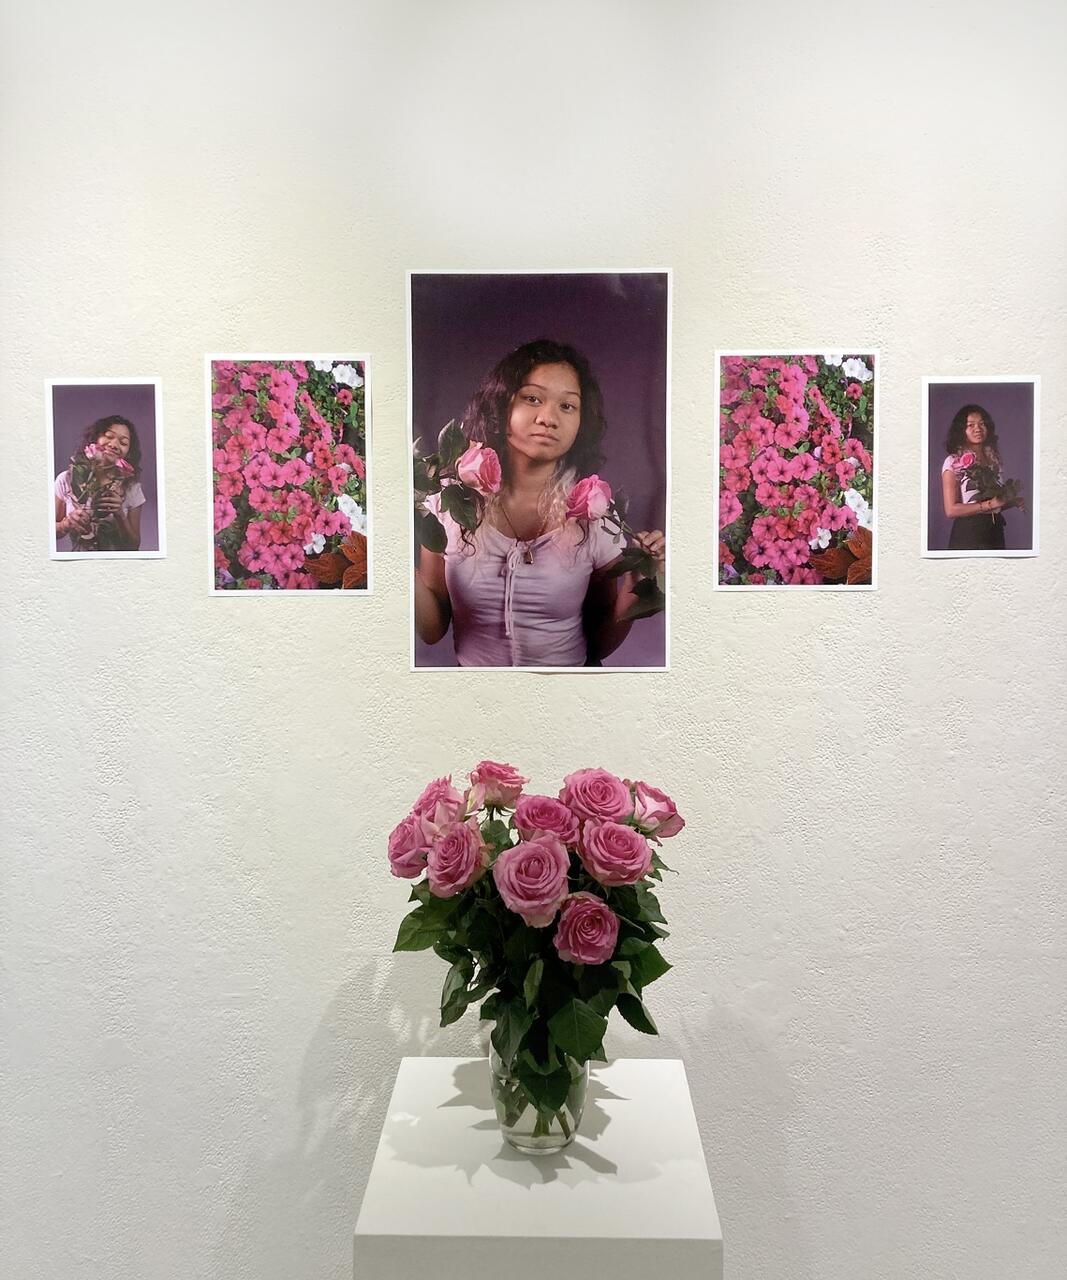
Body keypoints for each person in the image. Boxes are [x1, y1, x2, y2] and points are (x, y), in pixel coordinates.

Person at [414, 338, 665, 667]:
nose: (548, 418)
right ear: (502, 406)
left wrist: (636, 583)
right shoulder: (447, 500)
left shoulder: (595, 511)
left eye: (567, 406)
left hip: (566, 695)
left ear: (580, 422)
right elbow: (432, 629)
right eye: (532, 398)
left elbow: (599, 643)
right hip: (477, 700)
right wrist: (396, 570)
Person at [55, 415, 146, 551]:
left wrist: (120, 515)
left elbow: (134, 546)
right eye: (109, 436)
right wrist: (67, 523)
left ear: (128, 453)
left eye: (123, 443)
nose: (114, 445)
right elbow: (49, 535)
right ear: (95, 439)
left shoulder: (132, 488)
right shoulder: (66, 479)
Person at [940, 404, 1010, 551]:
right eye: (970, 425)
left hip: (995, 532)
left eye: (982, 423)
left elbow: (995, 503)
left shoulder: (994, 459)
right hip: (969, 534)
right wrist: (989, 505)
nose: (978, 428)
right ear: (961, 430)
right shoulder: (953, 462)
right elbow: (950, 510)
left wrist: (1012, 501)